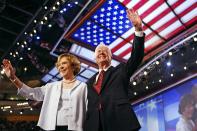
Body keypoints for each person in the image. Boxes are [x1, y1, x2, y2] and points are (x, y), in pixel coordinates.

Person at [84, 9, 145, 131]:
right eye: (98, 51)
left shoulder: (121, 70)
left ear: (110, 57)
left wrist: (138, 28)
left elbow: (136, 56)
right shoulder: (87, 84)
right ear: (95, 58)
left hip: (120, 123)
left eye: (105, 51)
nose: (101, 52)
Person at [2, 53, 87, 131]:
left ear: (73, 66)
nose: (60, 66)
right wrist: (12, 78)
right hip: (53, 127)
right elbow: (30, 93)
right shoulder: (51, 87)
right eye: (59, 64)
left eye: (64, 63)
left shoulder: (83, 87)